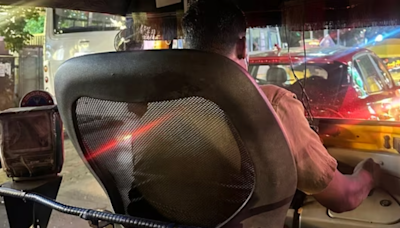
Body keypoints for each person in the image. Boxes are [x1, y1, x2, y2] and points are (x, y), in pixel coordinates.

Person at [182, 0, 382, 213]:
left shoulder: (159, 107)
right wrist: (369, 173)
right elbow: (344, 197)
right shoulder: (272, 104)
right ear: (241, 46)